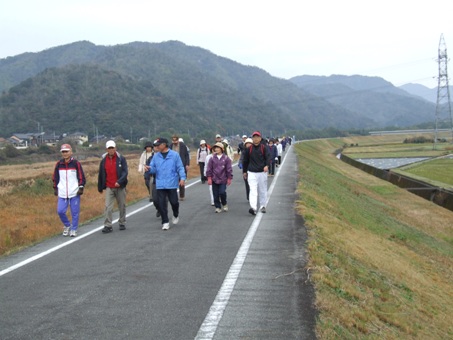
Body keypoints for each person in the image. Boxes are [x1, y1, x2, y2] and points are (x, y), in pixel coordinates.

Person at [148, 137, 186, 230]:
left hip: (171, 182)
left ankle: (175, 214)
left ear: (164, 145)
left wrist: (182, 178)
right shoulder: (156, 156)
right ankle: (165, 221)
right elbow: (153, 168)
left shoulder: (174, 155)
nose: (156, 147)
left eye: (158, 145)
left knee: (174, 202)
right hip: (160, 183)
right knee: (161, 203)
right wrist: (149, 169)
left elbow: (180, 167)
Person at [52, 143, 86, 237]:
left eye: (66, 151)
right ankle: (67, 225)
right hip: (62, 192)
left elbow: (81, 176)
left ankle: (74, 229)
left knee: (74, 212)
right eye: (63, 152)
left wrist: (81, 187)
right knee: (60, 211)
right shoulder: (59, 164)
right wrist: (55, 188)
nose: (65, 153)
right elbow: (55, 177)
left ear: (71, 152)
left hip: (74, 192)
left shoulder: (76, 163)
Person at [98, 140, 128, 233]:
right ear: (106, 149)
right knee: (107, 207)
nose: (111, 150)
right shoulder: (103, 160)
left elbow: (125, 171)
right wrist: (100, 186)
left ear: (115, 148)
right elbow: (101, 174)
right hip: (109, 186)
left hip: (120, 186)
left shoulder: (121, 158)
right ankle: (108, 225)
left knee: (122, 205)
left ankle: (122, 222)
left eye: (112, 148)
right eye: (109, 148)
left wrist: (120, 181)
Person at [242, 131, 271, 215]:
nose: (255, 139)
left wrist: (267, 166)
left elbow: (268, 158)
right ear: (252, 138)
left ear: (260, 138)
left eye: (257, 137)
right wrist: (244, 171)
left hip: (262, 172)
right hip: (251, 172)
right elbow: (245, 161)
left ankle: (263, 206)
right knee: (253, 190)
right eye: (254, 137)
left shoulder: (264, 148)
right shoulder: (249, 149)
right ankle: (253, 207)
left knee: (262, 189)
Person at [206, 142, 233, 213]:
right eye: (215, 148)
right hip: (214, 179)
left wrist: (229, 178)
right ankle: (217, 207)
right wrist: (209, 177)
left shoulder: (226, 158)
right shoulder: (212, 158)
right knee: (215, 194)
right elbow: (209, 168)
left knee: (222, 192)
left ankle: (224, 203)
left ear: (222, 149)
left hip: (223, 179)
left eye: (218, 148)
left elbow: (229, 169)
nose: (216, 149)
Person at [169, 134, 190, 200]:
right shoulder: (170, 146)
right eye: (173, 140)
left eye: (176, 140)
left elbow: (187, 155)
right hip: (172, 166)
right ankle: (173, 194)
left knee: (181, 180)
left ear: (178, 140)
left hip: (181, 165)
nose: (174, 141)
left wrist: (187, 164)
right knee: (173, 180)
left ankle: (181, 195)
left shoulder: (183, 146)